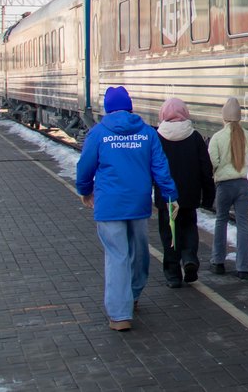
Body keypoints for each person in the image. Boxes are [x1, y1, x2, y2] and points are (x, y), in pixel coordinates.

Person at [75, 86, 178, 332]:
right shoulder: (146, 133)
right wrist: (171, 196)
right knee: (139, 252)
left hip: (109, 204)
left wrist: (85, 190)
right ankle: (132, 294)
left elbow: (85, 166)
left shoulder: (99, 133)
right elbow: (160, 168)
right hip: (138, 203)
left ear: (108, 108)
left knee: (117, 255)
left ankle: (120, 314)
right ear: (130, 106)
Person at [153, 98, 215, 289]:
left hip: (167, 198)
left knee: (169, 233)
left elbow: (153, 167)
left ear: (163, 115)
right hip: (190, 195)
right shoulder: (194, 137)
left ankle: (173, 275)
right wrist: (208, 196)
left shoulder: (158, 137)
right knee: (189, 228)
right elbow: (206, 168)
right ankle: (189, 258)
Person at [208, 97, 248, 280]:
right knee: (243, 224)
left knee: (221, 220)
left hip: (224, 185)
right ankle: (243, 267)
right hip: (244, 184)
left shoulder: (217, 137)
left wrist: (218, 171)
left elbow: (213, 160)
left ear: (224, 117)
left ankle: (218, 262)